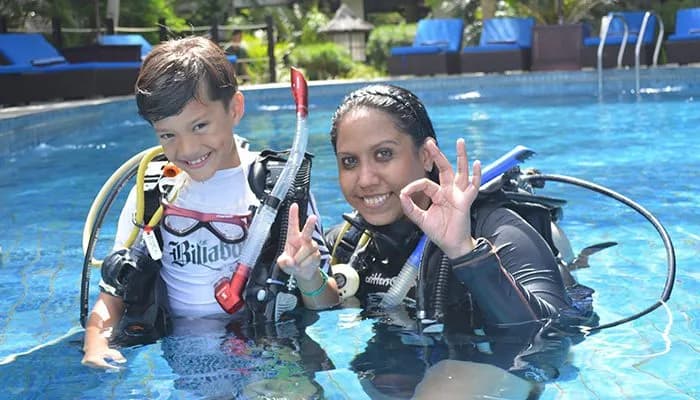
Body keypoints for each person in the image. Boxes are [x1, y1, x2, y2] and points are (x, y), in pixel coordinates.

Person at [81, 36, 339, 370]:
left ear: (234, 109)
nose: (187, 149)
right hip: (181, 355)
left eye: (200, 125)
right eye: (167, 135)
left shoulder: (279, 188)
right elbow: (114, 294)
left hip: (266, 350)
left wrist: (307, 275)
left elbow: (327, 303)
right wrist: (96, 343)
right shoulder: (152, 194)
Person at [325, 84, 597, 395]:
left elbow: (550, 336)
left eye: (384, 154)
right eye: (349, 162)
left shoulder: (496, 229)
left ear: (426, 156)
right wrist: (308, 280)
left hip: (506, 361)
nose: (365, 179)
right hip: (412, 363)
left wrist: (463, 250)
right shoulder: (350, 243)